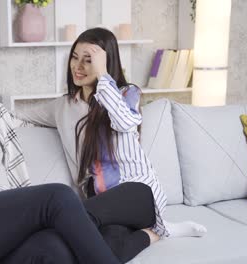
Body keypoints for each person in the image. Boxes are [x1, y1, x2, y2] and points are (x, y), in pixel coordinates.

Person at [0, 40, 157, 264]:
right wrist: (27, 210)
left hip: (4, 235)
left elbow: (34, 121)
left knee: (55, 249)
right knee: (56, 196)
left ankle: (140, 240)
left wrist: (89, 107)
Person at [14, 27, 207, 262]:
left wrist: (103, 75)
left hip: (138, 193)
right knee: (102, 250)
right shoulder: (62, 107)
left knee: (71, 218)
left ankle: (25, 235)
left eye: (89, 60)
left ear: (105, 62)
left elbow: (125, 122)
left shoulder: (127, 94)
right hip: (99, 202)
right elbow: (19, 118)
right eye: (75, 57)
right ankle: (154, 233)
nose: (78, 66)